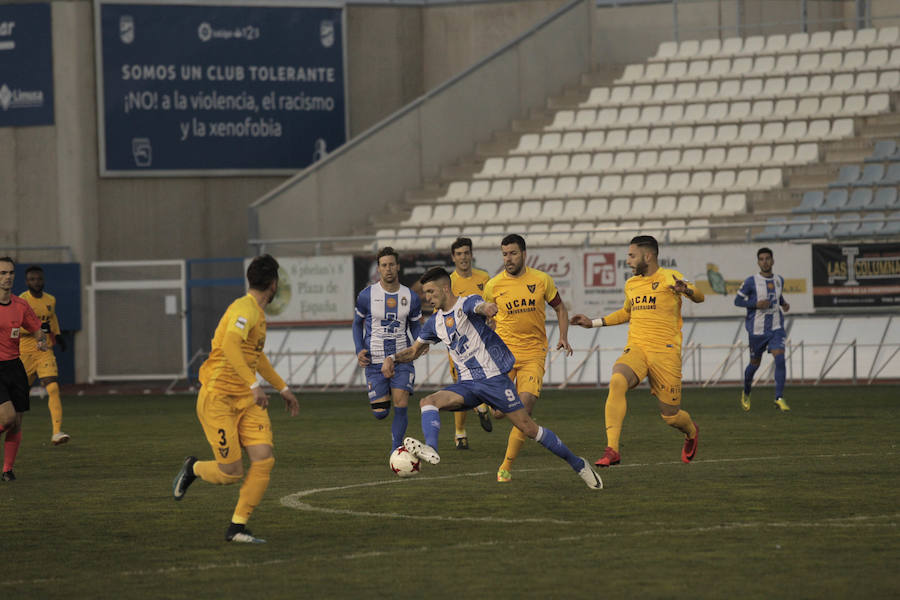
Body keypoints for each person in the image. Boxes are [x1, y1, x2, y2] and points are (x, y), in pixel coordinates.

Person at [382, 267, 602, 490]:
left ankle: (578, 464)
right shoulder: (434, 323)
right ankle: (431, 449)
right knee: (427, 402)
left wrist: (487, 308)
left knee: (528, 428)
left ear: (445, 289)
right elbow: (414, 351)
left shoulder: (467, 303)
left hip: (494, 381)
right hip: (467, 384)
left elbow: (478, 305)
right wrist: (392, 358)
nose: (426, 297)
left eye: (430, 291)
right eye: (425, 293)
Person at [172, 254, 299, 544]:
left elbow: (255, 356)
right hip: (218, 399)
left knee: (264, 459)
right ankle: (193, 468)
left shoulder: (256, 312)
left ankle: (237, 527)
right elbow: (230, 343)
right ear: (273, 284)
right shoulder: (245, 309)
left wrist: (283, 388)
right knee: (231, 473)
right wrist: (254, 385)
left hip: (246, 401)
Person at [570, 235, 704, 467]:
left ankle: (691, 431)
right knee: (617, 380)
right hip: (638, 348)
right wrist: (593, 323)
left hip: (665, 353)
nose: (628, 261)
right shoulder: (631, 284)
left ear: (648, 256)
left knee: (671, 417)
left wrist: (688, 291)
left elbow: (699, 296)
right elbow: (626, 313)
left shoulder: (670, 277)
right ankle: (612, 449)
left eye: (632, 256)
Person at [481, 234, 572, 483]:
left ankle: (505, 467)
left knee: (524, 409)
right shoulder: (493, 285)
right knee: (499, 413)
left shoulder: (542, 280)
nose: (508, 259)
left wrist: (563, 335)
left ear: (524, 254)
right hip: (504, 355)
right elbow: (484, 318)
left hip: (534, 354)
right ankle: (484, 403)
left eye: (512, 253)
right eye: (504, 254)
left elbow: (561, 308)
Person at [352, 247, 423, 453]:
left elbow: (415, 325)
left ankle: (396, 450)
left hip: (401, 358)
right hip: (374, 360)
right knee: (380, 413)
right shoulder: (366, 295)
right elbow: (357, 324)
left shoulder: (410, 297)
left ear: (398, 266)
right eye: (384, 265)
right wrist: (359, 349)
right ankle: (387, 391)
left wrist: (420, 342)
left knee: (401, 403)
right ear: (379, 268)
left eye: (392, 264)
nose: (388, 269)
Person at [0, 257, 48, 481]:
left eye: (10, 273)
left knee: (16, 423)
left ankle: (7, 469)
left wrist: (41, 340)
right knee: (8, 418)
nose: (6, 277)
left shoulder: (21, 305)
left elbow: (37, 328)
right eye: (2, 273)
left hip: (15, 366)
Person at [448, 237, 492, 449]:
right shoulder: (448, 282)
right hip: (458, 344)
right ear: (453, 257)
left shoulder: (484, 278)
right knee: (462, 387)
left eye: (466, 253)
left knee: (482, 381)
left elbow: (492, 304)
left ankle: (481, 406)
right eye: (459, 254)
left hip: (481, 341)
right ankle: (460, 434)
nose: (463, 257)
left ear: (471, 254)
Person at [734, 247, 791, 412]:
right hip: (757, 330)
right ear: (758, 262)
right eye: (761, 259)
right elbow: (737, 301)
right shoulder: (751, 281)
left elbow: (777, 296)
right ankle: (746, 392)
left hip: (776, 327)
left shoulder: (779, 279)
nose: (765, 262)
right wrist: (755, 304)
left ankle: (779, 398)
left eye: (767, 258)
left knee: (780, 358)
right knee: (754, 365)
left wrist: (783, 304)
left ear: (773, 261)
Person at [19, 265, 70, 445]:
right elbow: (15, 327)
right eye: (32, 279)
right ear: (27, 282)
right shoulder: (21, 302)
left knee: (53, 387)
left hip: (44, 351)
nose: (36, 282)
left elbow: (51, 319)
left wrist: (58, 335)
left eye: (39, 279)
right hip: (24, 353)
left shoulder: (51, 300)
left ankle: (56, 433)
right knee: (18, 398)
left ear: (44, 280)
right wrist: (36, 329)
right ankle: (11, 430)